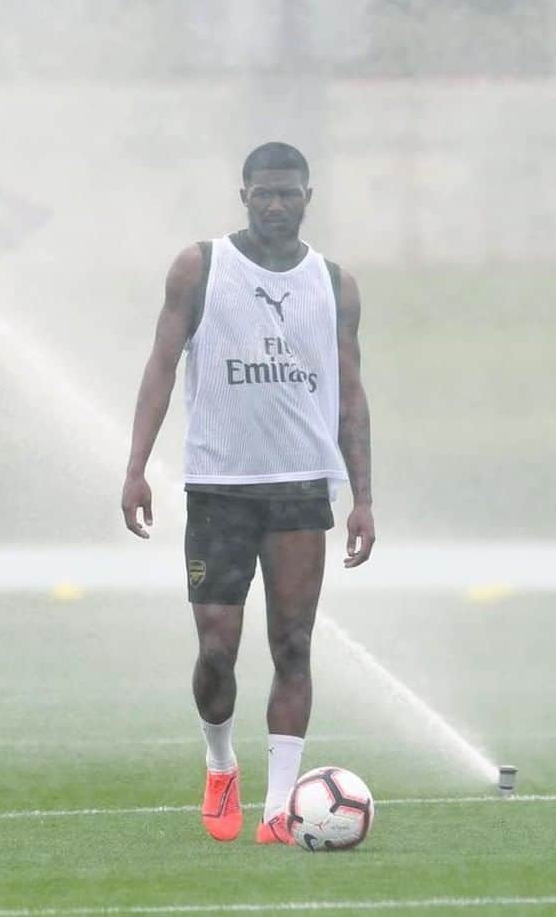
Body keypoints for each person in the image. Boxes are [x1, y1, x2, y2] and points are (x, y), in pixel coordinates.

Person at [121, 142, 375, 845]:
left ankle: (279, 809)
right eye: (262, 194)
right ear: (243, 196)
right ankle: (219, 760)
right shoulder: (201, 268)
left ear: (307, 197)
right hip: (218, 489)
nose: (274, 206)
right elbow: (160, 367)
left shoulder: (335, 284)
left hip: (299, 489)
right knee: (217, 650)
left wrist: (363, 497)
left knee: (293, 644)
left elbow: (351, 395)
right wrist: (137, 466)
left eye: (287, 194)